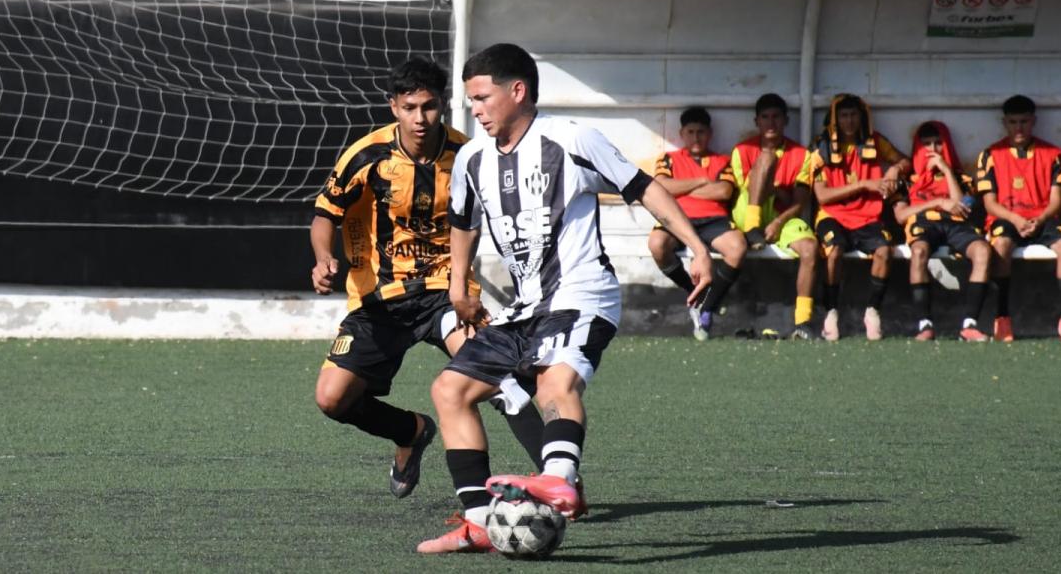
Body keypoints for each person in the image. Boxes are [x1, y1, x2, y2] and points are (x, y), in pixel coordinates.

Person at [416, 43, 713, 554]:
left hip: (582, 295)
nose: (476, 110)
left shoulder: (572, 139)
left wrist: (696, 247)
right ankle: (478, 523)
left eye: (483, 98)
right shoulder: (470, 158)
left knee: (555, 381)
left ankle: (559, 478)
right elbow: (463, 223)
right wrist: (457, 286)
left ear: (518, 91)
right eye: (470, 101)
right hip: (524, 306)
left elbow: (644, 187)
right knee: (450, 390)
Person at [310, 57, 545, 500]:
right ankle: (411, 431)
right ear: (393, 107)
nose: (421, 118)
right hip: (378, 302)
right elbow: (325, 214)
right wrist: (324, 258)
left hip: (445, 295)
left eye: (431, 107)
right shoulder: (367, 155)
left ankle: (557, 476)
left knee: (499, 381)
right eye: (411, 107)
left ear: (444, 105)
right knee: (332, 399)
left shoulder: (470, 155)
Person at [809, 94, 912, 341]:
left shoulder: (875, 142)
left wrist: (896, 169)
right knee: (833, 251)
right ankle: (831, 312)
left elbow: (906, 161)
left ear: (863, 117)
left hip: (868, 216)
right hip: (832, 215)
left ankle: (872, 311)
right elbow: (822, 196)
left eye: (854, 115)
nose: (849, 121)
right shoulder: (820, 147)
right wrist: (866, 185)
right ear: (835, 119)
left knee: (884, 251)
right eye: (844, 115)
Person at [975, 95, 1061, 343]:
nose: (1019, 128)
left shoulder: (1054, 154)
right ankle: (1002, 318)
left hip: (1042, 217)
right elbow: (989, 204)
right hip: (1007, 218)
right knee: (1001, 245)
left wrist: (1039, 220)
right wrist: (1016, 219)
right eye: (1013, 122)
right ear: (1004, 123)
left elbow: (1056, 202)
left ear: (1034, 121)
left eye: (1024, 121)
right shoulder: (990, 154)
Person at [647, 107, 745, 340]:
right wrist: (701, 181)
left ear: (709, 133)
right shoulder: (668, 159)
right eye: (690, 132)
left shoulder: (722, 160)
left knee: (738, 247)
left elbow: (723, 191)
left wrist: (681, 188)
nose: (696, 137)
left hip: (714, 218)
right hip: (678, 218)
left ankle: (708, 307)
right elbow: (661, 187)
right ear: (682, 133)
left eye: (701, 132)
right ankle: (694, 294)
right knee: (656, 244)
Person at [729, 93, 820, 339]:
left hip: (781, 216)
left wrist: (779, 222)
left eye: (776, 117)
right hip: (746, 211)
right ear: (756, 121)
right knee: (766, 158)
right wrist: (777, 189)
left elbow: (799, 202)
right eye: (765, 117)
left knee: (811, 249)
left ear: (786, 120)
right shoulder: (742, 150)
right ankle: (752, 228)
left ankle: (803, 321)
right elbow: (744, 191)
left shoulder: (802, 155)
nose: (771, 123)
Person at [892, 121, 990, 341]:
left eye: (938, 144)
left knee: (982, 250)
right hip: (924, 224)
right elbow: (900, 215)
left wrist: (946, 170)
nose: (933, 150)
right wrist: (937, 202)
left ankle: (970, 324)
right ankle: (924, 324)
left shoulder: (961, 178)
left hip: (956, 225)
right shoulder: (908, 181)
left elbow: (962, 209)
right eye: (927, 144)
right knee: (918, 252)